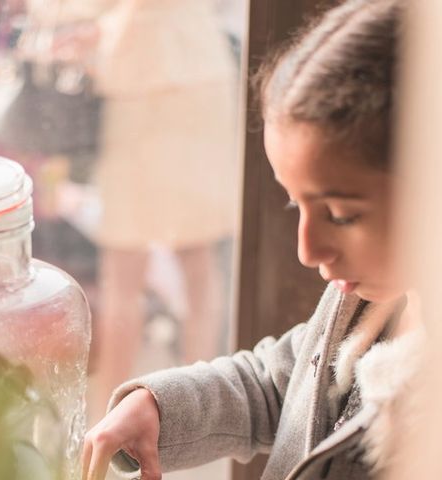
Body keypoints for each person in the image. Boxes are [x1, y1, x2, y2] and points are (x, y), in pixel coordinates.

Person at [82, 0, 425, 479]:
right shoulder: (378, 302)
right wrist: (159, 408)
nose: (308, 251)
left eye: (342, 215)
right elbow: (283, 383)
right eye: (294, 205)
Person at [88, 0, 240, 421]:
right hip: (198, 67)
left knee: (125, 264)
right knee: (195, 260)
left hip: (140, 70)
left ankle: (109, 414)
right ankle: (195, 408)